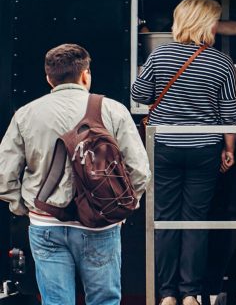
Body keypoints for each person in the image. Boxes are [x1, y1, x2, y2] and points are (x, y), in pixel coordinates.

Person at [0, 44, 151, 305]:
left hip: (46, 222)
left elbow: (4, 176)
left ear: (49, 78)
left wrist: (23, 207)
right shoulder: (113, 110)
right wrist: (124, 205)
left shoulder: (26, 114)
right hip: (101, 224)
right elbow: (139, 170)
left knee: (56, 302)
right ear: (85, 75)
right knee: (104, 300)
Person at [131, 0, 236, 305]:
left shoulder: (160, 55)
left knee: (165, 220)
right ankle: (191, 293)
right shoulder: (222, 62)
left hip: (163, 146)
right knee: (194, 220)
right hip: (205, 148)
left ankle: (166, 295)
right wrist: (228, 148)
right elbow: (228, 113)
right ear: (207, 24)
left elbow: (139, 94)